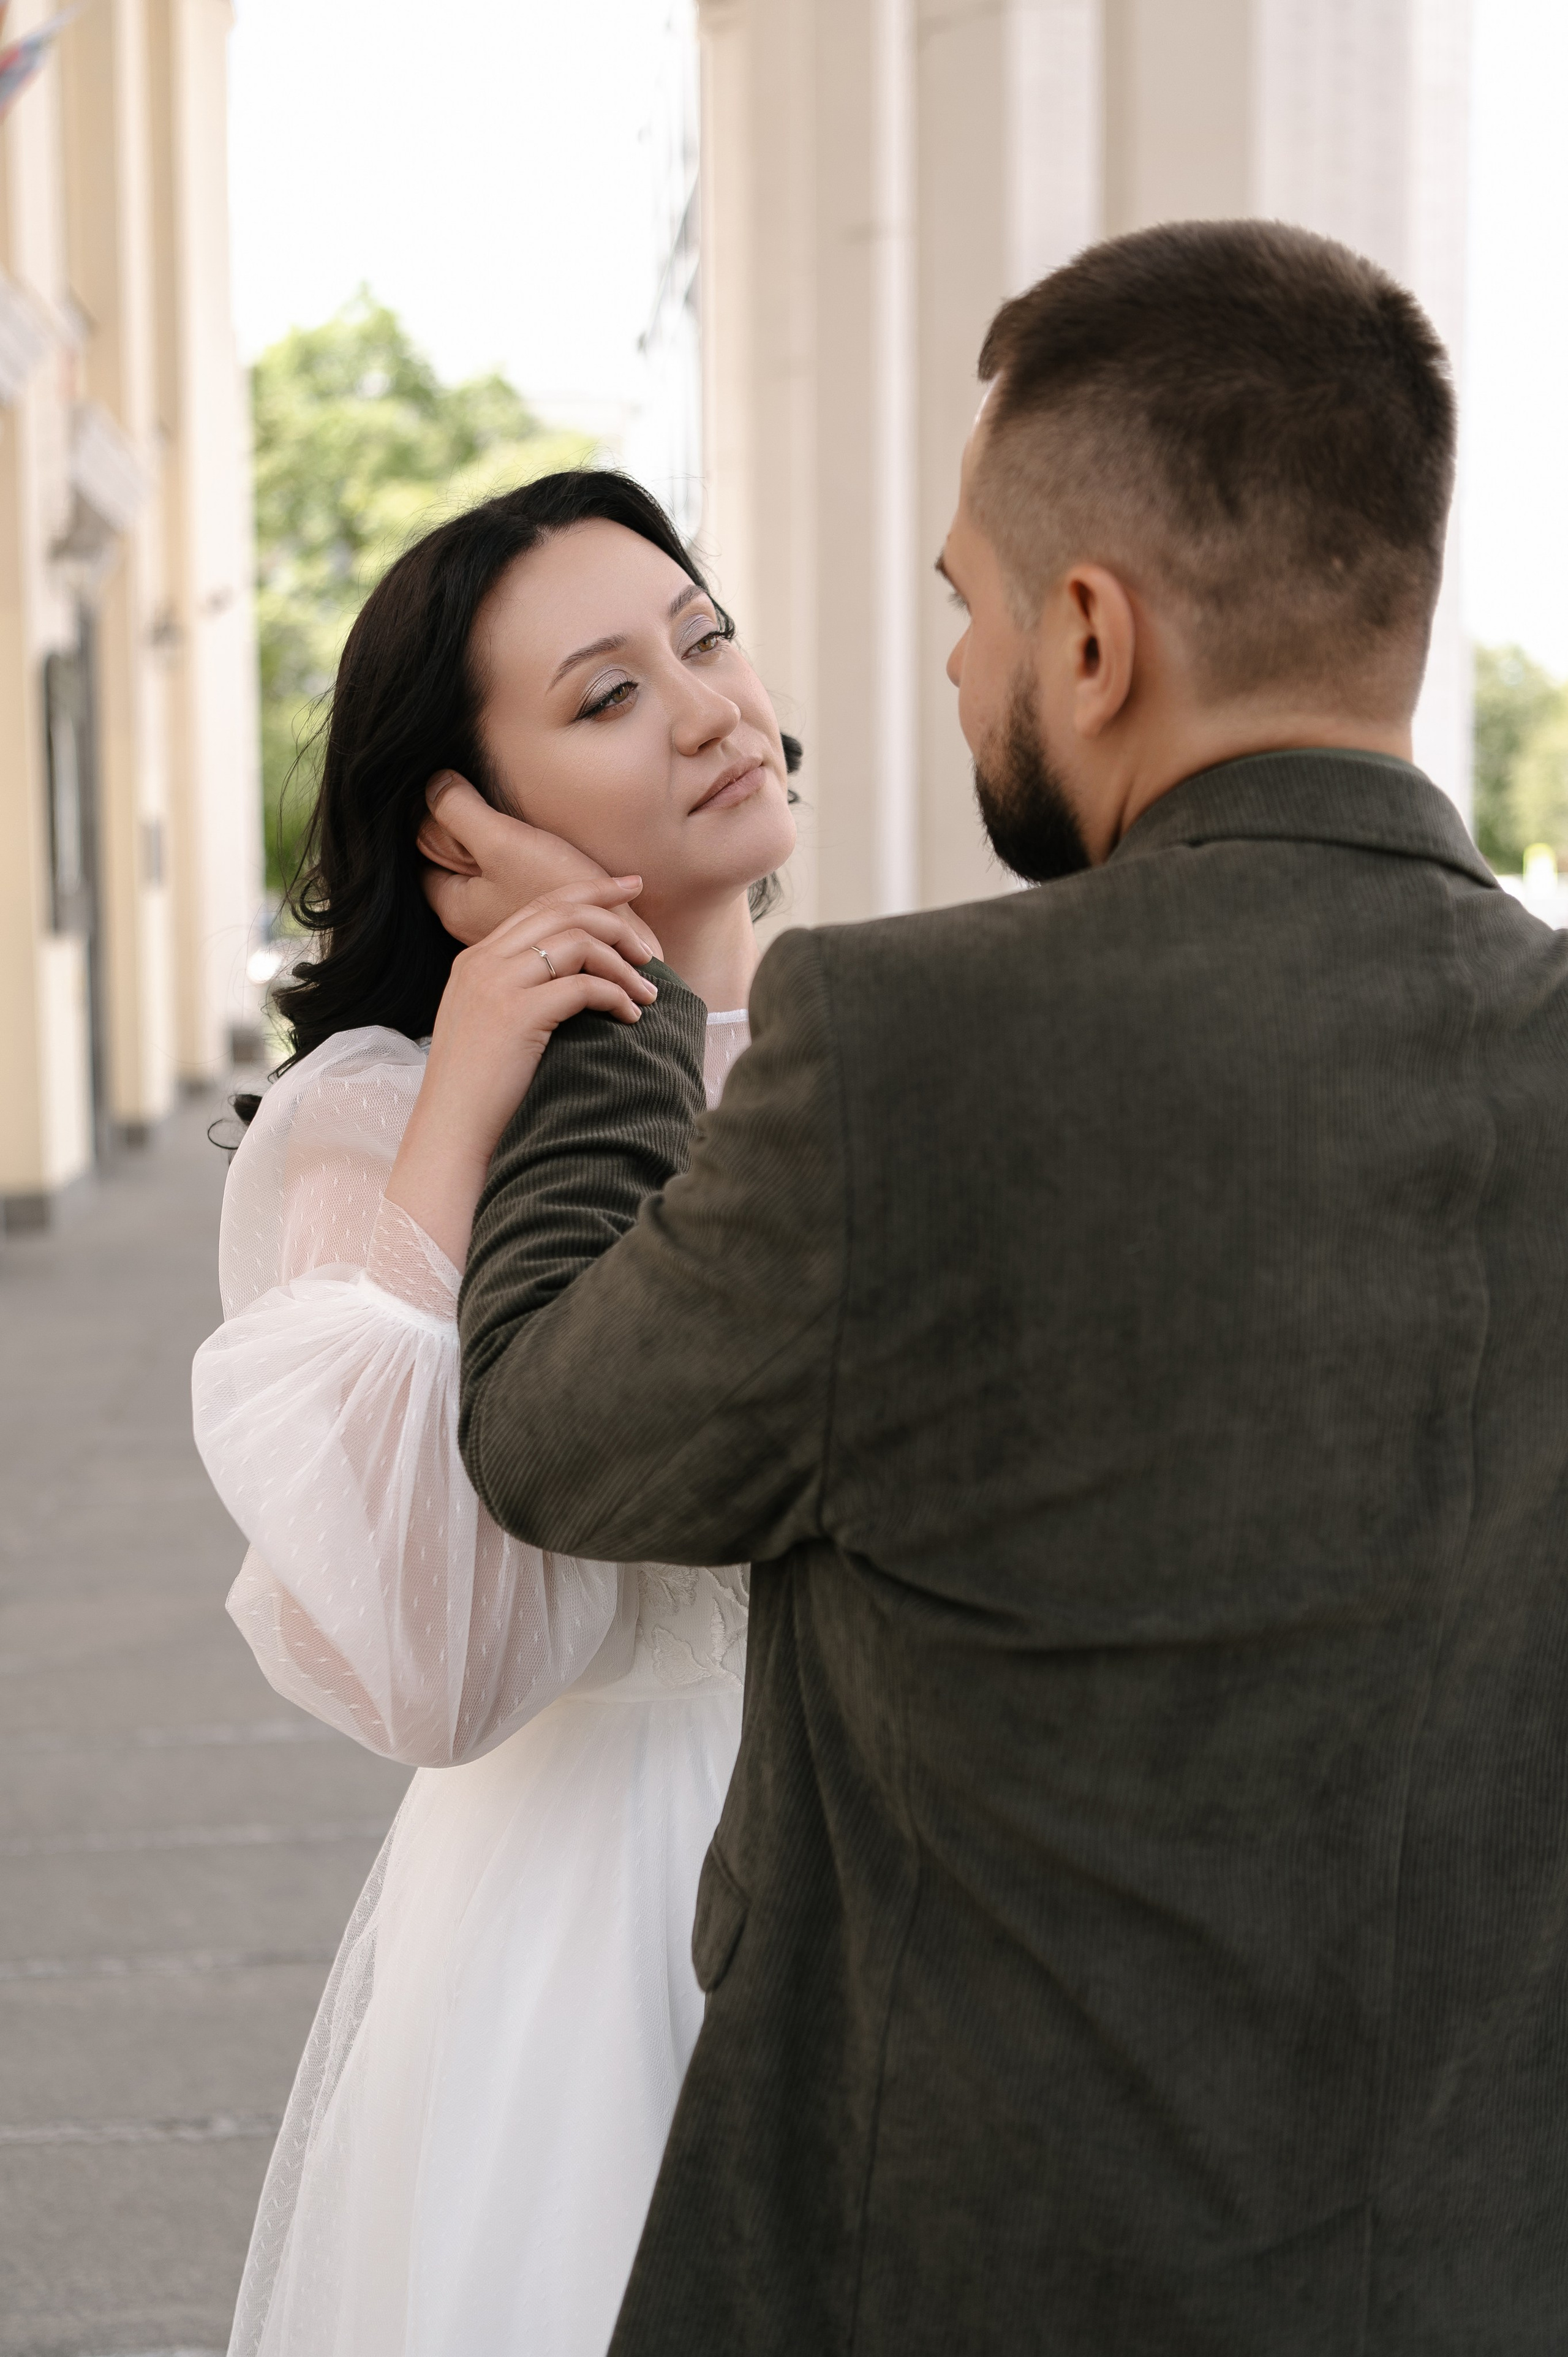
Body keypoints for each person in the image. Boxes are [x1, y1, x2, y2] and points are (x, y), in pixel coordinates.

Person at [457, 221, 1568, 2354]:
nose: (955, 672)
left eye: (963, 608)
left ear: (1090, 633)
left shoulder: (899, 1046)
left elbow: (548, 1434)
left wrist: (599, 1014)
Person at [192, 469, 797, 2356]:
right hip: (582, 1897)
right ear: (461, 833)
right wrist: (477, 1080)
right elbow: (428, 1662)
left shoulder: (850, 1060)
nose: (707, 705)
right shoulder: (375, 1116)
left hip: (866, 1871)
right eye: (607, 695)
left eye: (705, 640)